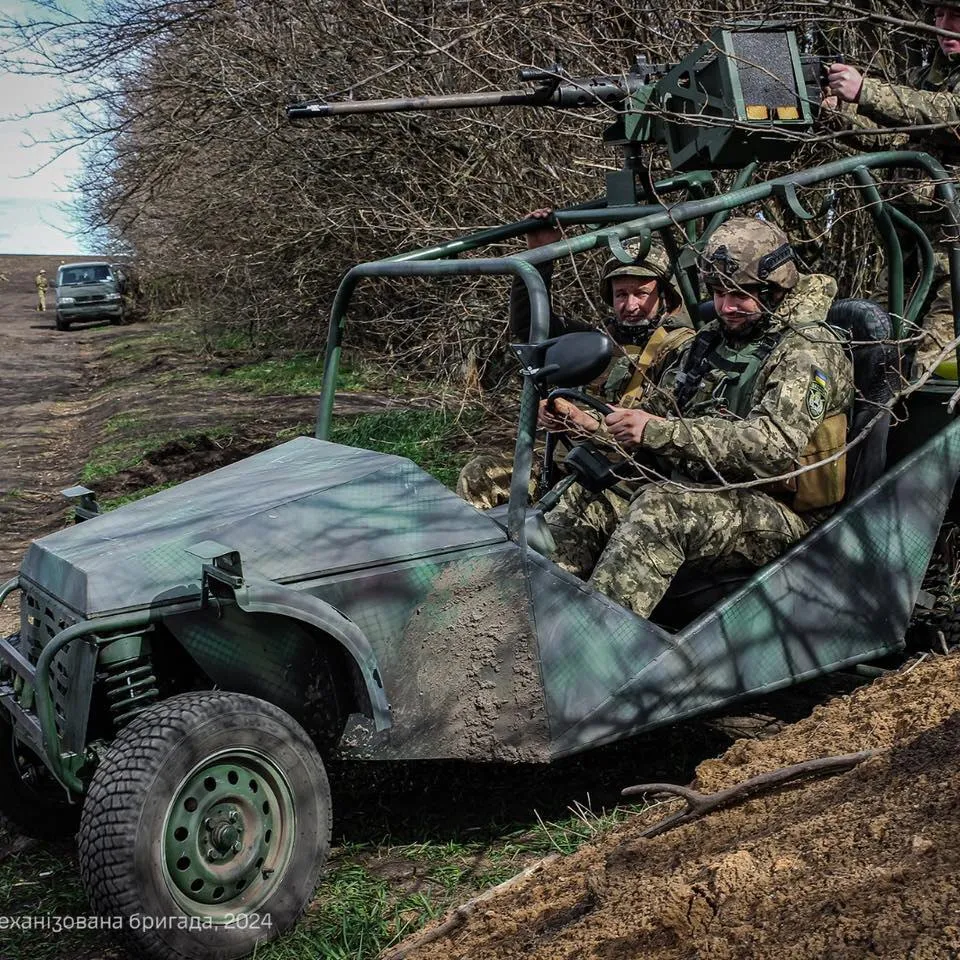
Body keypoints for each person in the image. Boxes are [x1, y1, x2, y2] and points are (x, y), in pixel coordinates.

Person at [547, 217, 855, 619]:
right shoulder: (712, 340)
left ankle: (596, 651)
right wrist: (589, 422)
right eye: (717, 293)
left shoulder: (808, 350)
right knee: (587, 492)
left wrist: (657, 431)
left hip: (781, 511)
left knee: (663, 510)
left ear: (777, 288)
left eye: (741, 294)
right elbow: (657, 416)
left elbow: (773, 448)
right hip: (701, 487)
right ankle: (533, 632)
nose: (726, 306)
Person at [457, 208, 694, 509]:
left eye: (641, 293)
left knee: (566, 513)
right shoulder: (600, 338)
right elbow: (531, 327)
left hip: (626, 478)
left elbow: (663, 431)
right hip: (568, 462)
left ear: (664, 295)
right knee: (480, 474)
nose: (631, 305)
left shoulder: (682, 349)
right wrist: (541, 253)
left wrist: (585, 421)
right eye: (621, 294)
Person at [823, 0, 960, 375]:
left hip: (954, 254)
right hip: (913, 244)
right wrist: (836, 114)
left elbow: (947, 113)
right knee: (869, 348)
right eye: (939, 15)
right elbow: (895, 141)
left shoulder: (934, 92)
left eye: (957, 16)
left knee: (929, 365)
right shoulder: (925, 77)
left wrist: (865, 90)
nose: (945, 25)